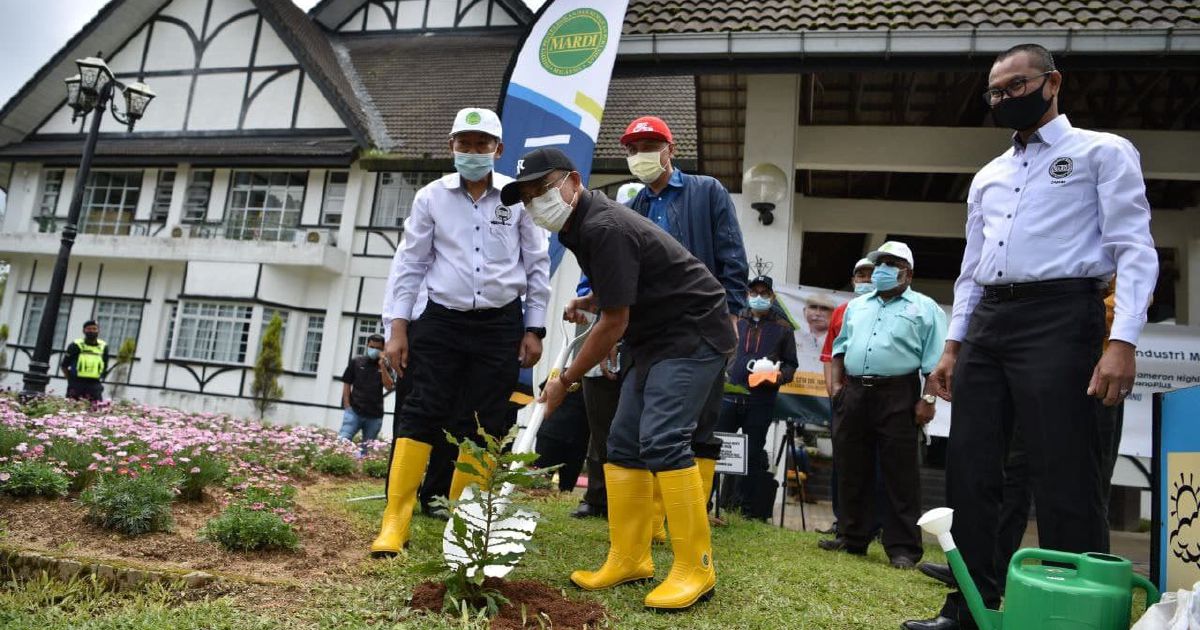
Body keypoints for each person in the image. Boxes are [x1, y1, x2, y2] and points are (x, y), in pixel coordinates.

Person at [905, 44, 1158, 630]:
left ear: (1053, 83)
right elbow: (971, 269)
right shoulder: (989, 175)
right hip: (990, 321)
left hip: (1063, 315)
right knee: (972, 468)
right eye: (995, 93)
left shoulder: (1102, 151)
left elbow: (1134, 249)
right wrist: (952, 345)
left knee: (1064, 469)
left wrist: (1122, 341)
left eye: (1016, 86)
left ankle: (1072, 611)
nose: (1004, 99)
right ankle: (968, 608)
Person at [503, 147, 735, 611]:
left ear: (571, 182)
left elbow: (615, 324)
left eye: (542, 190)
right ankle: (629, 557)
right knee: (623, 443)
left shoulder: (601, 226)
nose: (535, 203)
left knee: (665, 439)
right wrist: (592, 302)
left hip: (693, 332)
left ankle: (697, 567)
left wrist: (564, 379)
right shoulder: (578, 226)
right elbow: (626, 290)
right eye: (527, 198)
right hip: (655, 336)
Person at [372, 107, 551, 557]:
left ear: (498, 149)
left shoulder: (516, 199)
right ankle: (396, 519)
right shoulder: (431, 197)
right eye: (464, 144)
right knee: (420, 410)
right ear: (452, 146)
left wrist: (535, 327)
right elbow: (409, 264)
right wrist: (397, 328)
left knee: (485, 420)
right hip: (441, 320)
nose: (472, 152)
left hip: (500, 325)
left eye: (482, 144)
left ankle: (466, 520)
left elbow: (537, 265)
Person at [573, 115, 748, 521]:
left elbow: (731, 255)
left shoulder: (706, 192)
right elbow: (623, 283)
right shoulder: (634, 206)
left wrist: (733, 316)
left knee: (699, 423)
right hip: (650, 333)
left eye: (651, 145)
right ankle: (650, 522)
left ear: (671, 150)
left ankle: (688, 518)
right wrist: (607, 327)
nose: (641, 155)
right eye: (633, 149)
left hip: (703, 325)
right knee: (637, 429)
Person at [822, 241, 946, 570]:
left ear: (908, 272)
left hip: (899, 393)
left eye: (891, 264)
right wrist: (836, 389)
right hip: (854, 392)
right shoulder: (857, 307)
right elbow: (839, 349)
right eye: (879, 263)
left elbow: (935, 365)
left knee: (900, 473)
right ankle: (852, 538)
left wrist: (928, 400)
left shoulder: (925, 308)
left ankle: (903, 548)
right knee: (851, 465)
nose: (882, 270)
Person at [716, 274, 797, 520]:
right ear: (747, 294)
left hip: (760, 401)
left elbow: (791, 365)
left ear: (772, 297)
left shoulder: (783, 327)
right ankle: (707, 503)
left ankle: (746, 510)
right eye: (754, 292)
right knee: (714, 449)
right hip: (728, 397)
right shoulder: (733, 319)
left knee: (752, 454)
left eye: (764, 293)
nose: (759, 297)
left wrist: (777, 377)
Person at [817, 257, 876, 536]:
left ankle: (876, 524)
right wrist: (834, 388)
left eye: (870, 275)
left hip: (880, 393)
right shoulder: (842, 312)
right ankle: (843, 520)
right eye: (860, 276)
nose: (865, 281)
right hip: (846, 394)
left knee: (876, 459)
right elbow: (829, 355)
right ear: (853, 281)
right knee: (844, 458)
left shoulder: (887, 310)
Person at [339, 334, 395, 455]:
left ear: (383, 349)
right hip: (354, 411)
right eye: (371, 346)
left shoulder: (386, 366)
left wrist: (383, 365)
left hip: (374, 415)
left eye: (378, 348)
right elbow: (347, 383)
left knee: (366, 451)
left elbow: (389, 386)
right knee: (342, 442)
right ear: (367, 345)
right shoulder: (357, 362)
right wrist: (347, 405)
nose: (374, 350)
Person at [60, 320, 108, 401]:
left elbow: (105, 365)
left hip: (94, 384)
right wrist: (71, 381)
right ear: (84, 331)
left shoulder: (103, 346)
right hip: (77, 383)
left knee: (96, 410)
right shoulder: (75, 345)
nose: (91, 331)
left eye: (94, 329)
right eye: (88, 329)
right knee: (72, 409)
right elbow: (64, 366)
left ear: (98, 331)